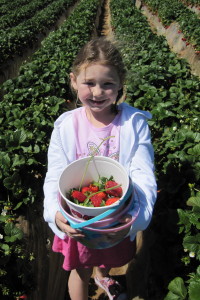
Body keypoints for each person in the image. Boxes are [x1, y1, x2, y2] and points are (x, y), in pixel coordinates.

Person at [43, 36, 157, 300]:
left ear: (120, 86)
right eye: (89, 83)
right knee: (79, 267)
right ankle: (88, 281)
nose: (97, 92)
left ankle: (103, 276)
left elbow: (143, 174)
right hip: (77, 218)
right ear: (73, 81)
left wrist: (137, 217)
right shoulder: (66, 127)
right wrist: (55, 214)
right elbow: (55, 175)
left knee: (106, 257)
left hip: (115, 215)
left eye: (107, 84)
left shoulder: (133, 124)